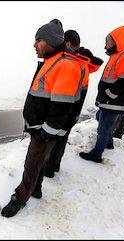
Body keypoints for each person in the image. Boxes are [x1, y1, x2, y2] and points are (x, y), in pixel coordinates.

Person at [0, 19, 89, 218]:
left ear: (50, 41)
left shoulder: (65, 65)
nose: (34, 45)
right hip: (41, 129)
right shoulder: (52, 62)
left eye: (38, 40)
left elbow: (61, 107)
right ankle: (36, 189)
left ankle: (20, 198)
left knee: (31, 165)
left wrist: (44, 133)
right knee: (40, 161)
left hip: (45, 132)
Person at [44, 30, 104, 177]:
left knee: (56, 139)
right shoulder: (83, 62)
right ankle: (55, 165)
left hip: (67, 109)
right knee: (62, 139)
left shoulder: (73, 63)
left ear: (68, 44)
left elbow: (65, 90)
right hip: (74, 109)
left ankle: (49, 169)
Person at [79, 26, 124, 163]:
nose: (105, 45)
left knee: (103, 129)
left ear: (116, 41)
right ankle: (109, 142)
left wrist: (110, 94)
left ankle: (96, 154)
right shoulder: (116, 56)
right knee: (101, 118)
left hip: (114, 103)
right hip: (110, 102)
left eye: (107, 41)